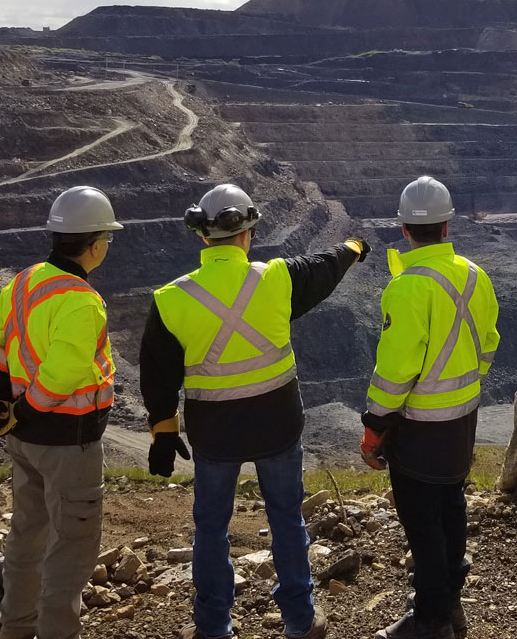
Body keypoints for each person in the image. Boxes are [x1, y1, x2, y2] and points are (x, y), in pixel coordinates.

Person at [140, 183, 370, 639]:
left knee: (211, 528)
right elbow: (326, 266)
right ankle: (300, 621)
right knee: (286, 518)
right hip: (277, 427)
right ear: (248, 232)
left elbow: (157, 375)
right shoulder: (279, 278)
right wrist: (355, 246)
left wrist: (164, 433)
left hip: (214, 434)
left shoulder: (171, 299)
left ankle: (213, 626)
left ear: (203, 236)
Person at [0, 185, 123, 639]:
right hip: (65, 440)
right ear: (94, 245)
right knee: (71, 548)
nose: (108, 247)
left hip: (24, 441)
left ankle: (15, 628)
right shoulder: (80, 300)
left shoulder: (25, 280)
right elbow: (63, 373)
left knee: (27, 536)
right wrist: (25, 412)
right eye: (108, 239)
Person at [360, 176, 500, 639]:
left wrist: (375, 425)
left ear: (404, 229)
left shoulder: (407, 288)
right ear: (446, 226)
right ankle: (449, 605)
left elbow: (396, 371)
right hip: (463, 421)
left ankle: (431, 621)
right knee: (451, 507)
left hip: (419, 430)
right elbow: (488, 344)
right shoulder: (476, 275)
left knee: (423, 526)